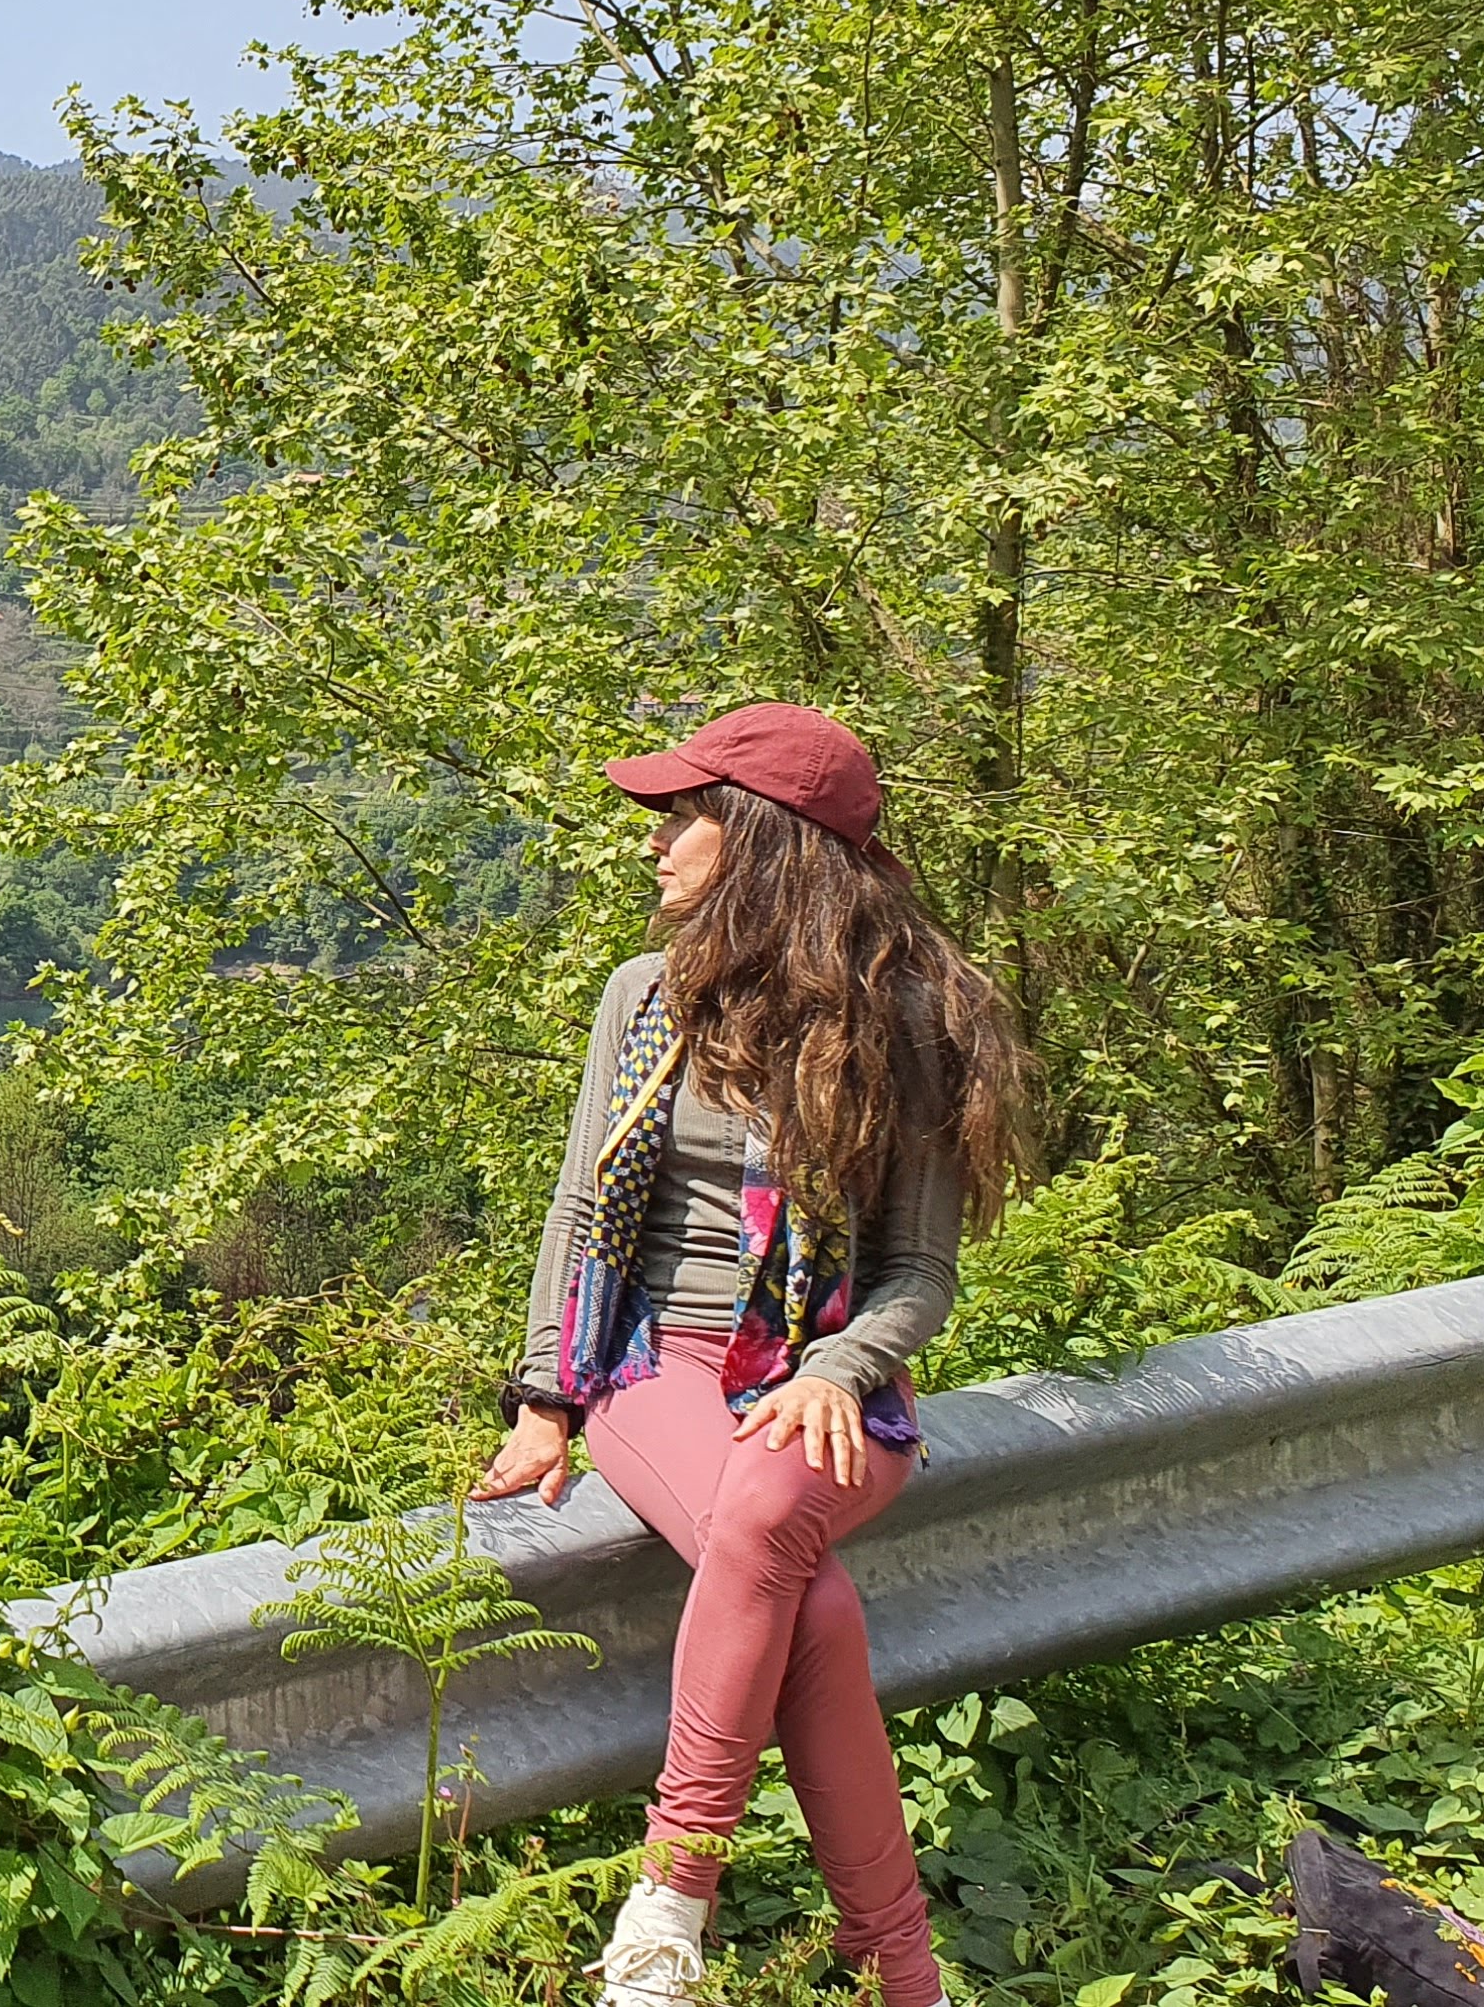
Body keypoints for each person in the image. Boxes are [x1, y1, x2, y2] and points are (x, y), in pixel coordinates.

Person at [474, 704, 1032, 2007]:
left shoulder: (913, 1018)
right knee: (799, 1576)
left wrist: (839, 1370)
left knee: (784, 1526)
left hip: (831, 1383)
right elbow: (580, 1210)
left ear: (767, 838)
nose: (656, 844)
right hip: (657, 1360)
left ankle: (669, 1902)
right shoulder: (644, 999)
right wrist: (546, 1398)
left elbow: (917, 1275)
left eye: (685, 815)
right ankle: (900, 1969)